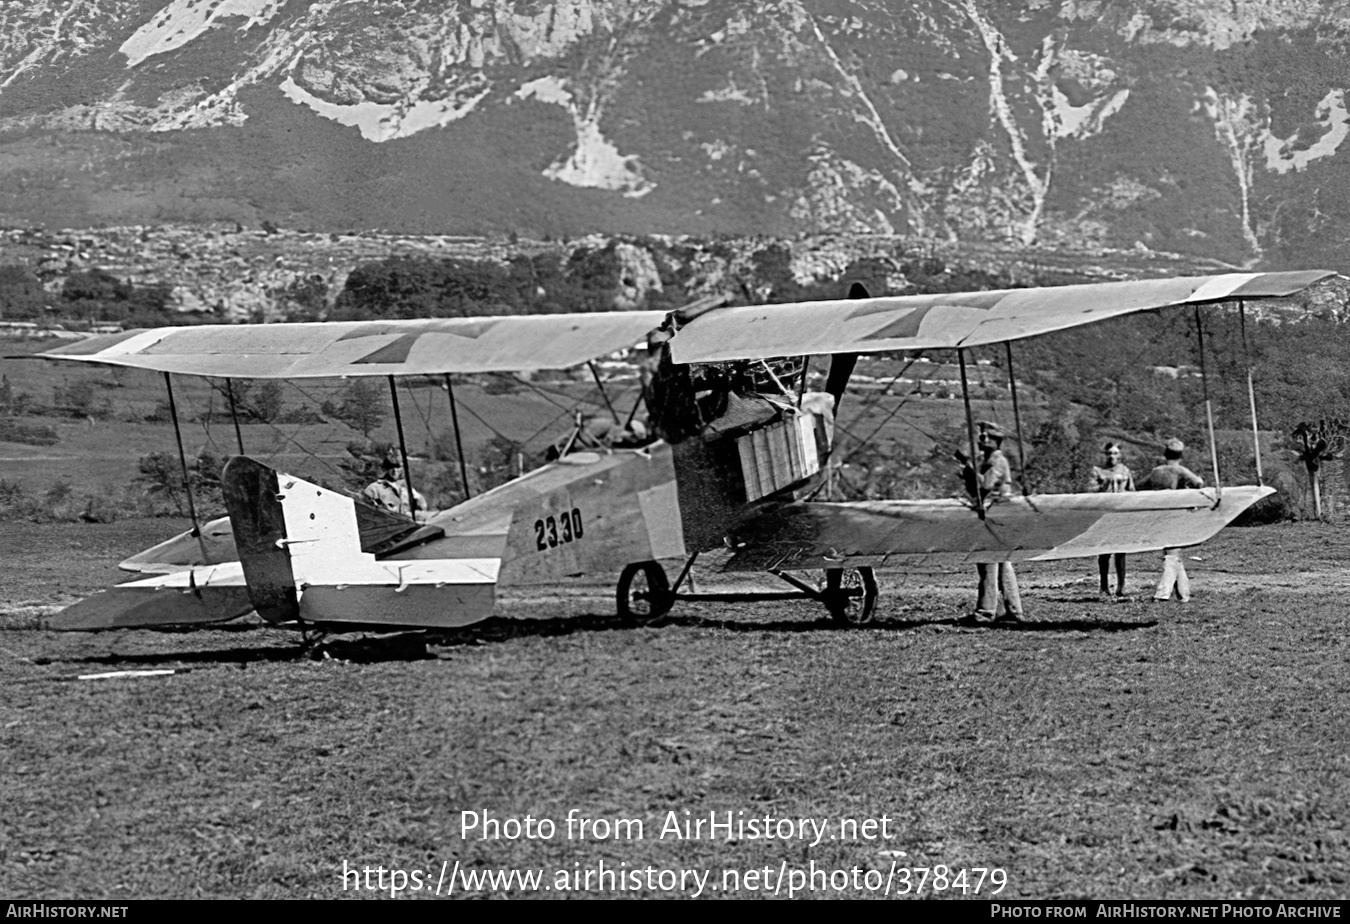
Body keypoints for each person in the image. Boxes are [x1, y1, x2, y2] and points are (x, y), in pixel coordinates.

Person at [958, 421, 1023, 622]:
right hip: (996, 512)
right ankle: (1014, 611)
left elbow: (985, 485)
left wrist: (968, 468)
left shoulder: (996, 460)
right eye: (981, 436)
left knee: (987, 560)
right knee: (1003, 562)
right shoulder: (992, 459)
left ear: (996, 441)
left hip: (994, 512)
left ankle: (985, 612)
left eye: (985, 436)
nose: (981, 439)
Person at [1138, 438, 1205, 602]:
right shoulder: (1180, 470)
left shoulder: (1156, 471)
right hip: (1175, 514)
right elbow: (1199, 482)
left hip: (1159, 513)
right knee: (1172, 554)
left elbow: (1139, 485)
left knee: (1172, 553)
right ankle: (1163, 592)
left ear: (1165, 453)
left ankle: (1184, 593)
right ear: (1180, 454)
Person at [1091, 442, 1135, 598]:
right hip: (1105, 515)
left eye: (1115, 453)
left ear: (1120, 455)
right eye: (1109, 453)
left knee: (1121, 551)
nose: (1112, 456)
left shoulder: (1125, 471)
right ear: (1105, 455)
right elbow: (1091, 491)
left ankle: (1121, 586)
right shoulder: (1099, 471)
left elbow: (1131, 491)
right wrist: (1101, 486)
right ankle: (1104, 586)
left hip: (1121, 515)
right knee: (1104, 552)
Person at [362, 457, 426, 518]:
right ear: (386, 469)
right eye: (391, 467)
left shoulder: (408, 490)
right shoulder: (374, 488)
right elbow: (365, 511)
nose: (394, 470)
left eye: (397, 467)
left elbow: (423, 508)